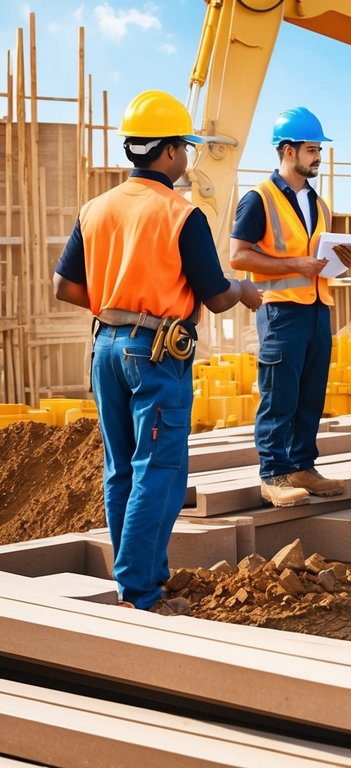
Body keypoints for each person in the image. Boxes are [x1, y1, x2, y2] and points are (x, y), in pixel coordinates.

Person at [53, 90, 261, 615]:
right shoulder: (180, 214)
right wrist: (243, 290)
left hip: (105, 347)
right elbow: (216, 298)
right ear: (168, 152)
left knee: (121, 467)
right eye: (185, 147)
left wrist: (116, 306)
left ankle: (136, 581)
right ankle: (142, 593)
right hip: (156, 355)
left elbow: (66, 287)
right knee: (158, 470)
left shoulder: (95, 208)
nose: (188, 157)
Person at [230, 107, 351, 508]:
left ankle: (303, 466)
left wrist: (343, 260)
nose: (317, 156)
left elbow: (316, 258)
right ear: (288, 151)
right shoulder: (259, 198)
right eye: (311, 149)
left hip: (318, 308)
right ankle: (273, 473)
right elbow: (238, 256)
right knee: (279, 394)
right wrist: (295, 265)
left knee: (310, 394)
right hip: (280, 311)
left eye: (319, 149)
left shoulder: (319, 205)